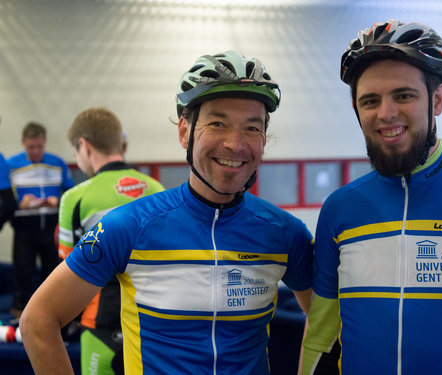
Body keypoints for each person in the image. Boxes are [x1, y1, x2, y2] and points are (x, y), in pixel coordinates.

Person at [20, 50, 314, 375]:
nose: (236, 143)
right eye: (218, 123)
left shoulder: (286, 233)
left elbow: (326, 323)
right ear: (184, 132)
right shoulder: (128, 226)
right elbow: (38, 320)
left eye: (252, 128)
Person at [301, 19, 442, 375]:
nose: (386, 114)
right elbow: (320, 335)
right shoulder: (340, 209)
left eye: (404, 95)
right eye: (370, 100)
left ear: (438, 99)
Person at [58, 107, 165, 374]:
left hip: (99, 326)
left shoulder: (75, 198)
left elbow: (66, 269)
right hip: (155, 324)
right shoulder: (158, 190)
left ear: (83, 146)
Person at [7, 122, 74, 318]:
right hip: (24, 226)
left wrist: (58, 201)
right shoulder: (11, 165)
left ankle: (52, 314)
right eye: (30, 147)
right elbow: (5, 198)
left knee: (53, 271)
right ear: (23, 143)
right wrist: (20, 203)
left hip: (52, 224)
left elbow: (71, 193)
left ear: (44, 142)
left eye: (39, 146)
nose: (35, 151)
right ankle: (19, 315)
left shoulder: (57, 162)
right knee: (23, 271)